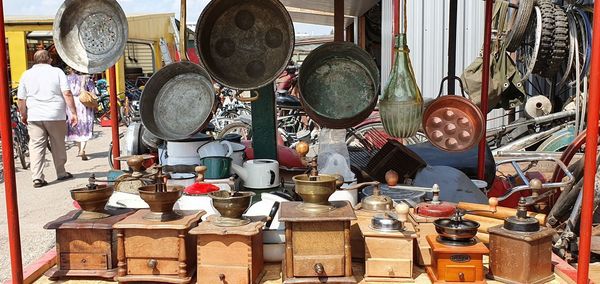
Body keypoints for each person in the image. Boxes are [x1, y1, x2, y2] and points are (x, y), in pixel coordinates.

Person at [17, 50, 78, 188]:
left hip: (35, 115)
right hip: (55, 114)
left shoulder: (26, 75)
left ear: (35, 60)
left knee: (36, 146)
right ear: (49, 59)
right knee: (58, 143)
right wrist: (73, 112)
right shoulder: (57, 72)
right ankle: (61, 172)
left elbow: (21, 99)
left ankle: (37, 178)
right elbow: (67, 93)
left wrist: (24, 115)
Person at [66, 68, 95, 160]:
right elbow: (93, 92)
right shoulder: (86, 79)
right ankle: (82, 149)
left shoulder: (67, 79)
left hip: (71, 103)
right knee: (85, 125)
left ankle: (79, 149)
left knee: (76, 126)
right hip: (84, 102)